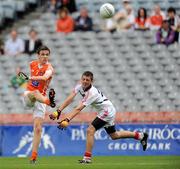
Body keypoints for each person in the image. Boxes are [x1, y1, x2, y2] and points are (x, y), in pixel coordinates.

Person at [49, 71, 148, 163]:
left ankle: (87, 158)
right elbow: (69, 99)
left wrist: (67, 119)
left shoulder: (92, 93)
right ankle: (141, 136)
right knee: (114, 135)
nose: (85, 81)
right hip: (107, 110)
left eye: (87, 80)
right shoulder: (79, 87)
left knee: (90, 130)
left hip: (107, 111)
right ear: (81, 79)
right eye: (83, 79)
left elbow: (78, 108)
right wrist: (58, 111)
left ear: (92, 81)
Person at [22, 46, 56, 163]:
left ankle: (33, 157)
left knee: (38, 129)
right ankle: (49, 101)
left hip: (40, 99)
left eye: (47, 54)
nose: (45, 56)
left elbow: (45, 77)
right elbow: (23, 76)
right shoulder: (32, 64)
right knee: (35, 92)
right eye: (43, 54)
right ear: (38, 55)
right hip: (29, 96)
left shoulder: (50, 68)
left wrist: (30, 77)